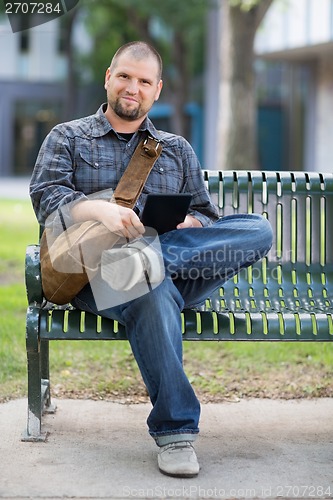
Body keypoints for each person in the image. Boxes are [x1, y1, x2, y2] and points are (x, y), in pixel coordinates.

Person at [30, 41, 273, 478]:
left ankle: (150, 259)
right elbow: (48, 200)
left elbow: (206, 212)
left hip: (179, 265)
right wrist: (100, 209)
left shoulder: (175, 148)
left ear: (156, 90)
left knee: (257, 229)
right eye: (125, 76)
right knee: (150, 288)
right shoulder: (66, 137)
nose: (132, 88)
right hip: (97, 274)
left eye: (144, 81)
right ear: (108, 77)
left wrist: (192, 226)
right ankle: (177, 433)